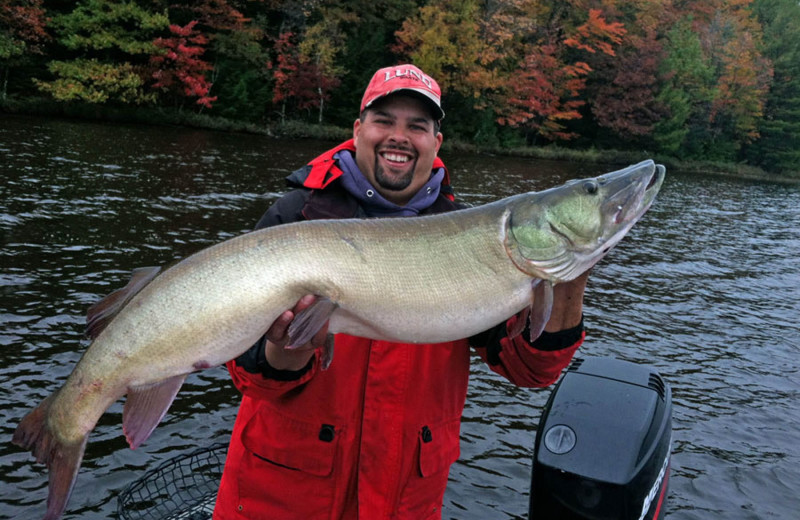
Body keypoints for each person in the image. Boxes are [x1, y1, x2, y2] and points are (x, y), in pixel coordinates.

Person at [213, 64, 589, 520]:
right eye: (384, 120)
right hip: (276, 501)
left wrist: (570, 271)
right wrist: (285, 353)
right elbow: (246, 375)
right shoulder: (297, 215)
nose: (399, 136)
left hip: (403, 504)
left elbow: (531, 369)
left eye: (418, 126)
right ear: (358, 130)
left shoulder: (481, 242)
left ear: (436, 143)